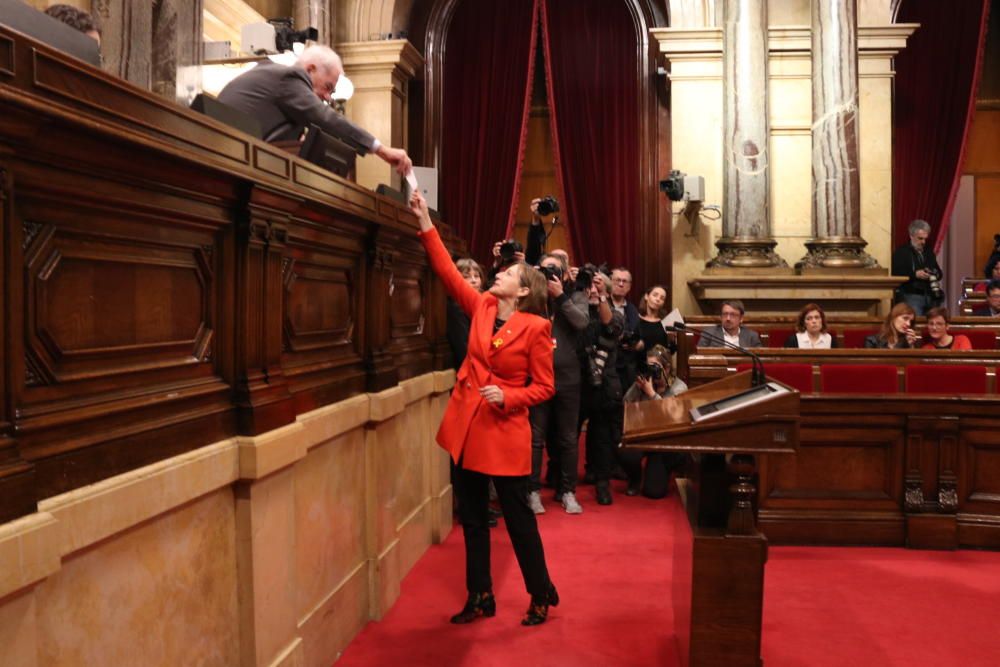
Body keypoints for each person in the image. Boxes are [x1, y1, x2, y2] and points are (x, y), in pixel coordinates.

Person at [409, 191, 559, 627]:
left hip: (505, 431)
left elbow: (545, 387)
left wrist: (509, 397)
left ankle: (539, 593)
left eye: (508, 271)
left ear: (524, 288)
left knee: (518, 521)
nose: (498, 273)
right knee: (473, 520)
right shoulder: (483, 307)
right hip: (467, 428)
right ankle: (480, 595)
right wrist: (424, 221)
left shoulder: (536, 328)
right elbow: (445, 271)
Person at [218, 45, 411, 175]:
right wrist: (381, 150)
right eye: (328, 87)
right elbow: (325, 118)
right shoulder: (290, 77)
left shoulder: (278, 82)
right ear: (310, 69)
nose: (328, 97)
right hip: (227, 166)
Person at [527, 253, 589, 515]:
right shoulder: (532, 298)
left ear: (564, 274)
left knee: (568, 438)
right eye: (546, 268)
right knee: (535, 438)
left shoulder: (576, 295)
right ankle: (531, 491)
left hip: (568, 378)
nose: (551, 273)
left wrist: (560, 295)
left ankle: (568, 492)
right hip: (537, 377)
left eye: (556, 269)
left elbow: (582, 322)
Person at [578, 272, 625, 505]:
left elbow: (610, 326)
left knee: (602, 436)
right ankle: (562, 483)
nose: (593, 291)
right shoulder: (577, 312)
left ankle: (602, 484)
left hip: (604, 384)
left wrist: (602, 297)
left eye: (599, 287)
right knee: (566, 436)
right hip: (577, 382)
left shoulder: (615, 314)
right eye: (590, 287)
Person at [619, 345, 687, 498]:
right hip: (645, 434)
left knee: (653, 492)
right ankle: (635, 479)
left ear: (667, 368)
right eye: (648, 366)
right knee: (623, 449)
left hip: (665, 442)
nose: (651, 371)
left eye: (655, 367)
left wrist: (651, 394)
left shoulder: (679, 387)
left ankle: (663, 470)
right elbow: (626, 404)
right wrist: (636, 388)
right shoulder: (646, 381)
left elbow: (671, 418)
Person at [891, 219, 943, 316]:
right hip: (911, 294)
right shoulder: (901, 252)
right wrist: (915, 274)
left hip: (930, 295)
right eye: (920, 238)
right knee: (915, 322)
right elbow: (895, 273)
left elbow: (939, 273)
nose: (923, 242)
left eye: (925, 239)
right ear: (911, 236)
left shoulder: (928, 252)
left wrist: (933, 273)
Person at [446, 258, 485, 369]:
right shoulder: (457, 307)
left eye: (476, 276)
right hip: (471, 369)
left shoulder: (485, 301)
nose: (473, 280)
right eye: (466, 277)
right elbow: (463, 348)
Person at [634, 285, 676, 354]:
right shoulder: (636, 319)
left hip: (659, 363)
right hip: (638, 362)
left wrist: (671, 340)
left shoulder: (665, 322)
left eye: (662, 298)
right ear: (646, 296)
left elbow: (671, 351)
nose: (658, 299)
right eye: (655, 295)